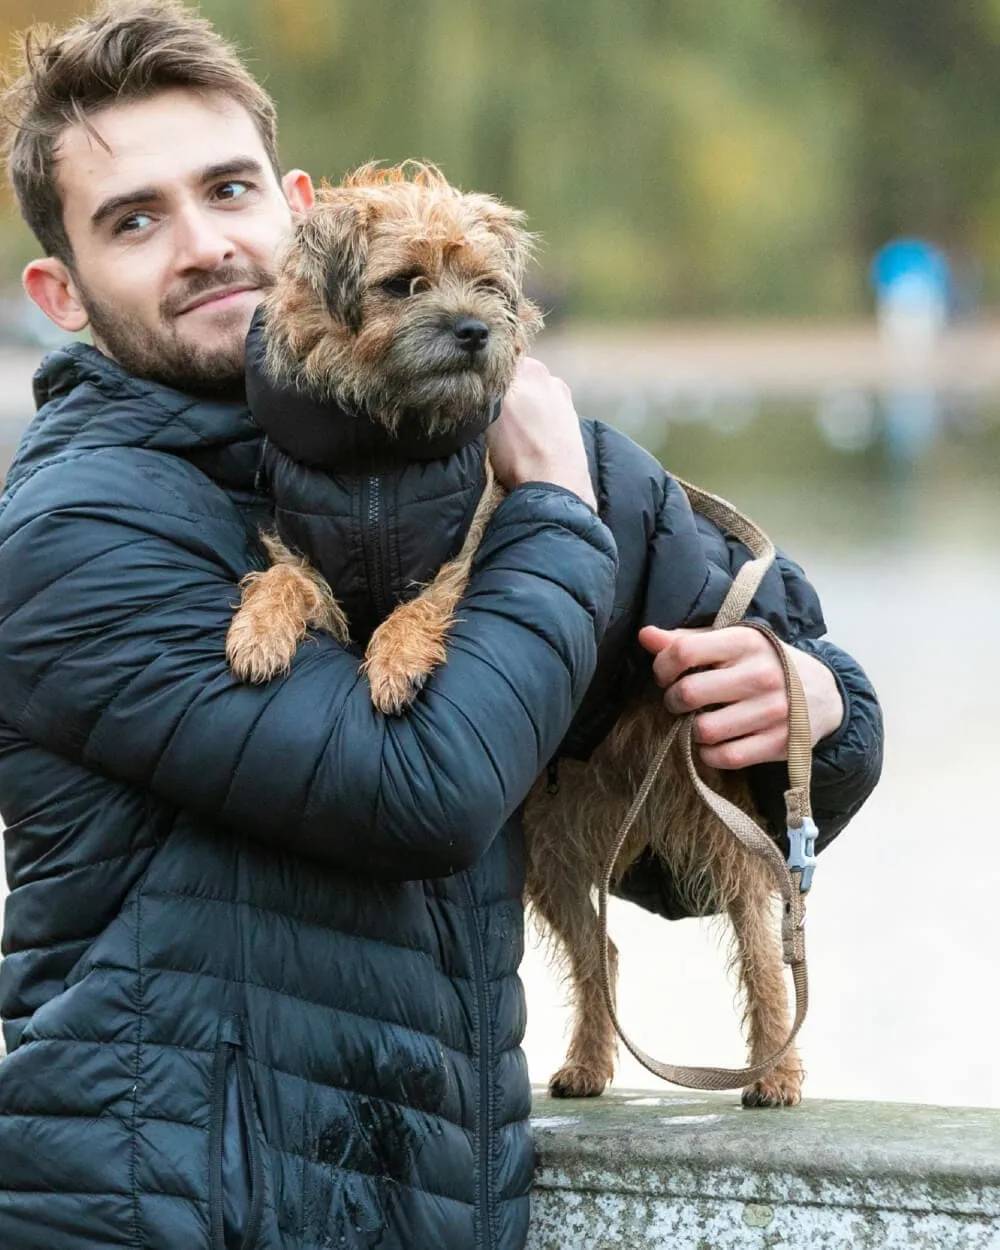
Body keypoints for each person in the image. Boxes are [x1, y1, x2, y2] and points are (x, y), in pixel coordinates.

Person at [0, 3, 883, 1248]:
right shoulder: (75, 532)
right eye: (133, 219)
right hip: (171, 1209)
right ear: (61, 292)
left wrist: (820, 707)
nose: (202, 243)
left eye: (227, 187)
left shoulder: (437, 426)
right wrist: (558, 509)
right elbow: (422, 787)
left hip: (416, 1200)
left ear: (299, 207)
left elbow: (688, 745)